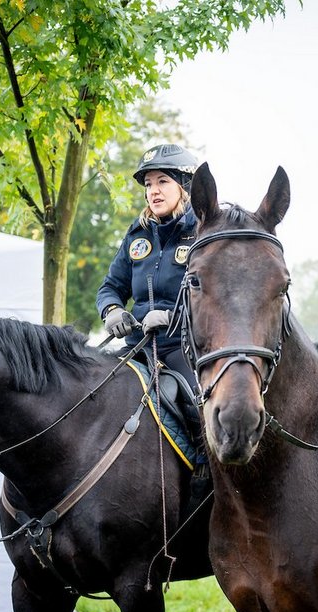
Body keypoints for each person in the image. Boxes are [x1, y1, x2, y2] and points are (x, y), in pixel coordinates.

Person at [96, 143, 204, 440]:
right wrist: (112, 310)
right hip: (136, 345)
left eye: (162, 182)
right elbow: (110, 287)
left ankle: (207, 479)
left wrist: (172, 316)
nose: (153, 191)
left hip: (183, 348)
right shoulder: (136, 234)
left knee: (200, 410)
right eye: (148, 184)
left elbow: (211, 297)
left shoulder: (203, 233)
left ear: (185, 186)